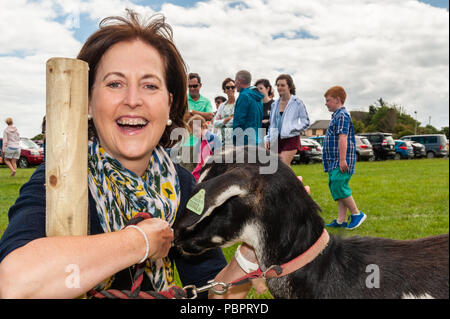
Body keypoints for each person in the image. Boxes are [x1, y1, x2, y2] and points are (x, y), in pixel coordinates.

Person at [0, 11, 256, 299]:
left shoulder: (182, 184)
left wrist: (248, 255)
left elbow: (213, 293)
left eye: (150, 85)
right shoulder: (57, 179)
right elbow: (15, 285)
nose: (133, 100)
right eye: (114, 84)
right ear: (87, 102)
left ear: (169, 104)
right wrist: (139, 242)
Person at [322, 86, 366, 230]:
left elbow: (343, 138)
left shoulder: (342, 116)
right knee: (336, 186)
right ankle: (341, 220)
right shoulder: (336, 115)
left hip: (340, 160)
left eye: (328, 100)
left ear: (337, 100)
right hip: (334, 160)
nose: (326, 103)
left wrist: (342, 159)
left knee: (339, 185)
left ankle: (356, 214)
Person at [264, 74, 310, 166]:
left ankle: (294, 180)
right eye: (278, 85)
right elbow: (272, 124)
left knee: (282, 166)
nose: (279, 88)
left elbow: (306, 123)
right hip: (276, 139)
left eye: (282, 85)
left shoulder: (297, 103)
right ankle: (296, 180)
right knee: (277, 168)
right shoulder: (274, 104)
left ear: (289, 86)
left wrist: (292, 128)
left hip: (291, 139)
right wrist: (267, 138)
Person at [232, 70, 264, 146]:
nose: (235, 84)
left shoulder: (244, 96)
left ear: (239, 81)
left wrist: (235, 141)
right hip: (257, 140)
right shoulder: (258, 98)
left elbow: (239, 121)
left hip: (244, 142)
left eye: (235, 81)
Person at [188, 115, 222, 181]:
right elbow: (199, 161)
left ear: (203, 126)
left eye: (196, 131)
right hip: (202, 171)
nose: (194, 134)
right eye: (193, 132)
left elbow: (220, 156)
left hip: (212, 171)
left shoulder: (213, 138)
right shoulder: (199, 141)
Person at [213, 77, 236, 145]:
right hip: (223, 142)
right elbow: (215, 123)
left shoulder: (239, 104)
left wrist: (222, 122)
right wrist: (227, 119)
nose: (230, 89)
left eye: (232, 87)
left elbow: (237, 121)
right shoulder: (222, 106)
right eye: (228, 87)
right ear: (224, 90)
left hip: (236, 141)